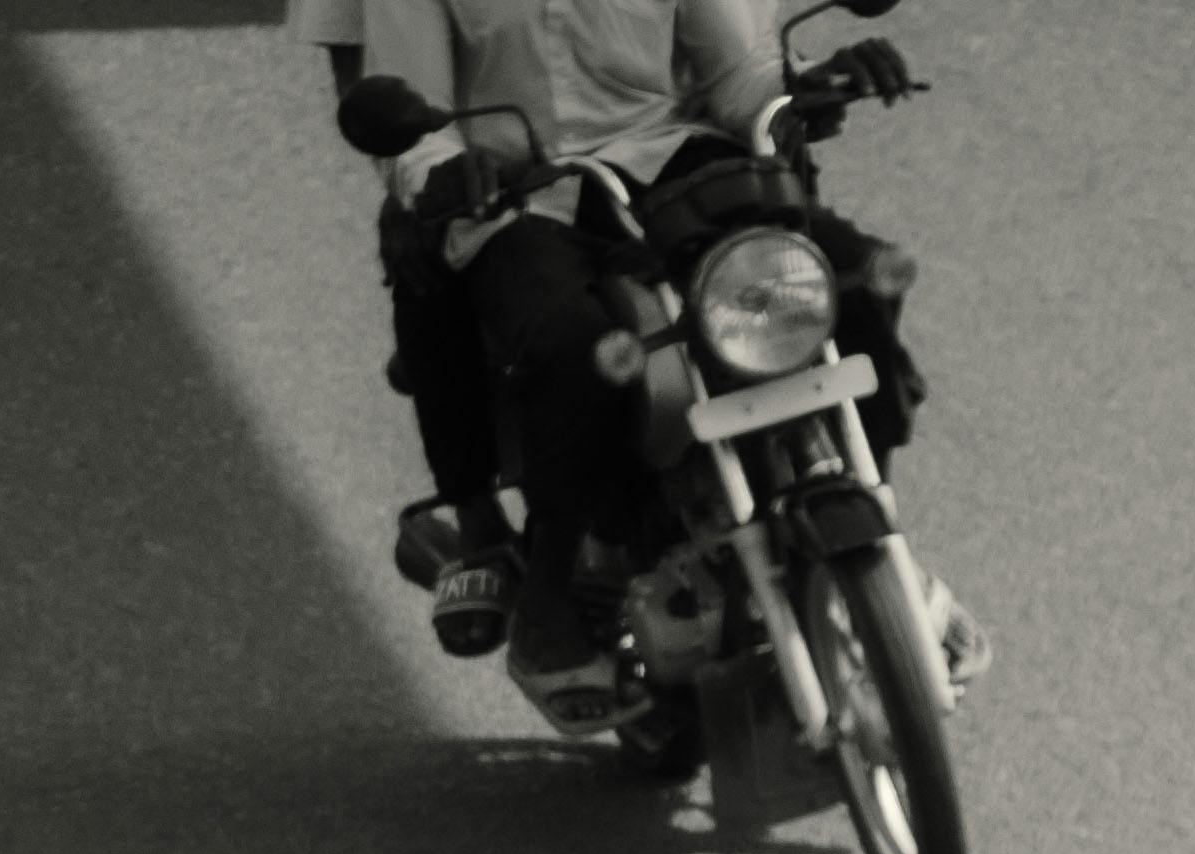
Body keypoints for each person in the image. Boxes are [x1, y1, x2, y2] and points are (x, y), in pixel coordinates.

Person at [346, 0, 971, 727]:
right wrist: (447, 169)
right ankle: (549, 590)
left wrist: (805, 86)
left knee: (852, 281)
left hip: (675, 164)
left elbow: (741, 73)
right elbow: (412, 123)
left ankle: (877, 534)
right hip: (524, 201)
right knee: (570, 350)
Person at [285, 0, 523, 657]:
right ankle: (477, 517)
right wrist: (410, 182)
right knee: (428, 262)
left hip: (645, 143)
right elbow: (361, 80)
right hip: (471, 164)